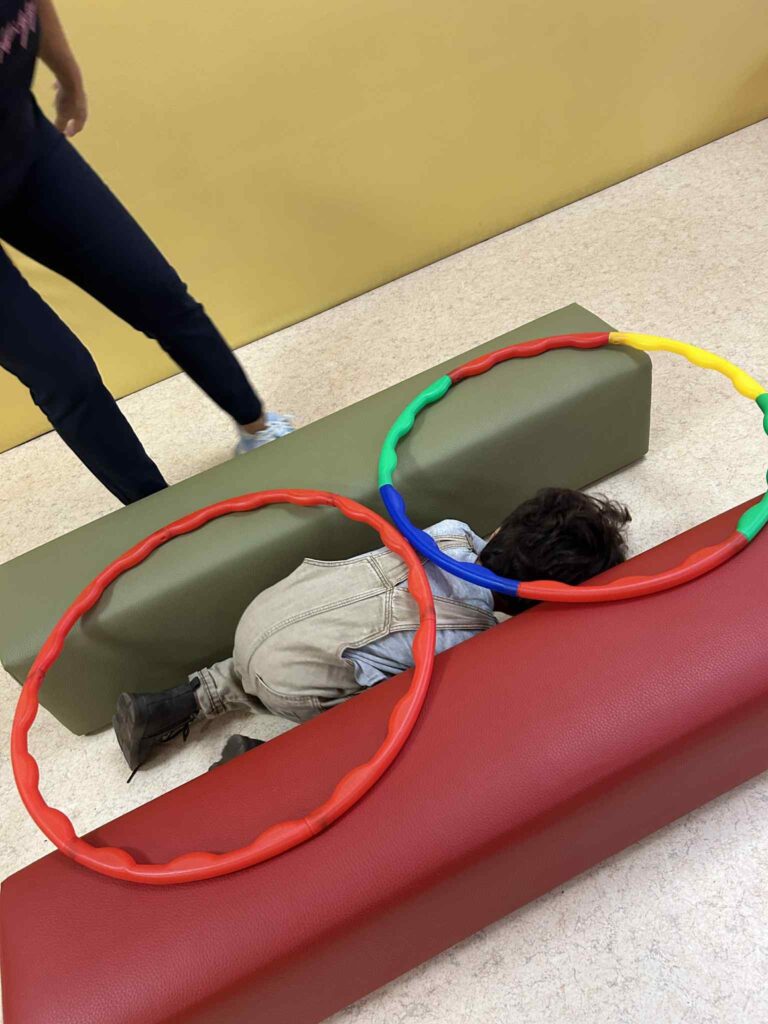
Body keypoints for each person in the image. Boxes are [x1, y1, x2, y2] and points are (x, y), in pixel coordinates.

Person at [113, 488, 632, 775]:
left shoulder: (448, 531)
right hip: (290, 684)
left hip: (264, 612)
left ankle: (174, 701)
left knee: (307, 643)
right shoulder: (469, 637)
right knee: (390, 723)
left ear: (498, 529)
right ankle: (260, 768)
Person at [0, 0, 291, 505]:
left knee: (158, 294)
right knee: (64, 373)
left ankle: (259, 429)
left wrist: (69, 78)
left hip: (20, 147)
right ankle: (163, 519)